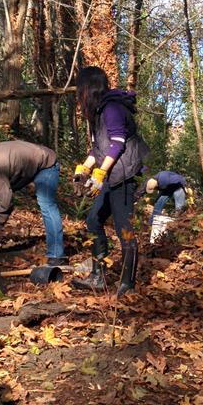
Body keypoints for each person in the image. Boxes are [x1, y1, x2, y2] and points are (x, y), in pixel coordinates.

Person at [71, 66, 149, 297]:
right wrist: (85, 169)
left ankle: (127, 284)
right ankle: (98, 275)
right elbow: (98, 149)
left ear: (88, 88)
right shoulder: (97, 113)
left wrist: (100, 173)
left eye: (80, 88)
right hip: (112, 175)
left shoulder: (112, 108)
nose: (79, 94)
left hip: (124, 176)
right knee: (94, 220)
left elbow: (117, 142)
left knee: (123, 228)